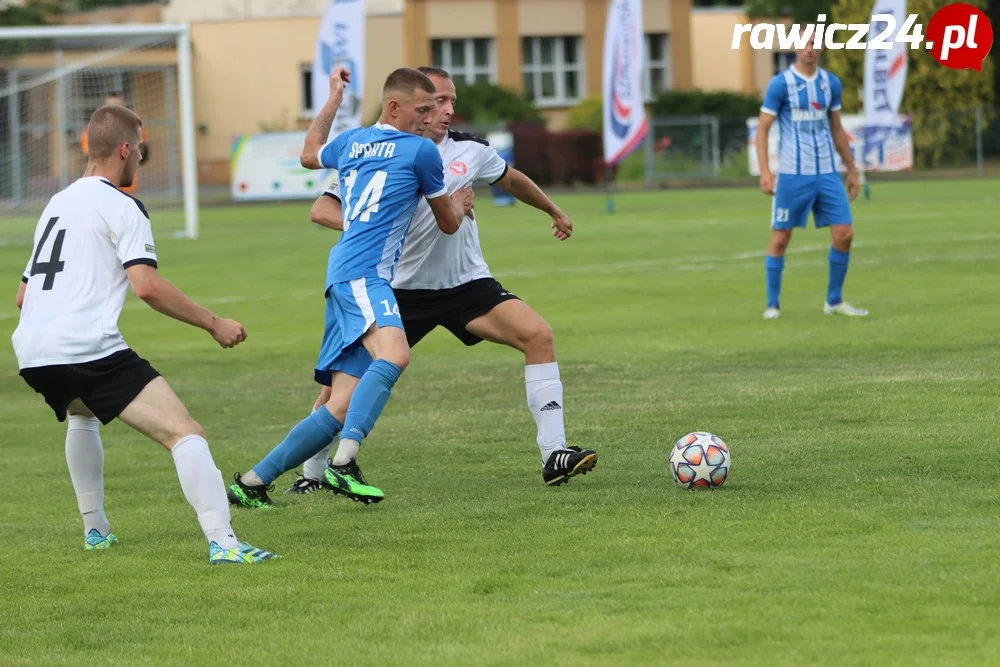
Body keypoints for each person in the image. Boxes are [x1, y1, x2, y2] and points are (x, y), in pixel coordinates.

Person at [286, 65, 596, 494]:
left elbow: (511, 178)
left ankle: (554, 454)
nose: (447, 110)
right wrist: (403, 220)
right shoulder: (380, 150)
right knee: (342, 388)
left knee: (538, 334)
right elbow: (322, 209)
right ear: (417, 106)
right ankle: (312, 476)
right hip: (398, 289)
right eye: (438, 102)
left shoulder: (470, 150)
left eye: (451, 102)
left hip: (466, 286)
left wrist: (553, 210)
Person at [12, 103, 276, 565]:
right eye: (142, 147)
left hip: (33, 349)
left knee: (82, 413)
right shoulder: (122, 205)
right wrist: (215, 323)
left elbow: (22, 295)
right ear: (127, 149)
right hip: (82, 346)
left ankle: (96, 531)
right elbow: (146, 286)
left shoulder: (57, 203)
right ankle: (225, 544)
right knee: (185, 433)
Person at [226, 66, 463, 509]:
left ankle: (252, 483)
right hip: (365, 275)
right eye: (423, 110)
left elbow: (308, 153)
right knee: (395, 354)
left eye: (434, 110)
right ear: (394, 107)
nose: (432, 119)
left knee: (340, 403)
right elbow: (447, 224)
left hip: (341, 274)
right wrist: (458, 201)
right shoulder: (421, 152)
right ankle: (344, 463)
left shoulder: (352, 141)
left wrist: (334, 97)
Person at [756, 43, 867, 320]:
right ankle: (772, 305)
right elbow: (763, 128)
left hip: (827, 173)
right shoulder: (780, 84)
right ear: (795, 47)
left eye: (815, 45)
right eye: (805, 44)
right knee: (781, 238)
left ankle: (834, 301)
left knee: (845, 234)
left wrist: (852, 170)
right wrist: (766, 171)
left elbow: (837, 128)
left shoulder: (831, 83)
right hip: (793, 174)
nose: (810, 50)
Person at [80, 93, 149, 195]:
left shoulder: (136, 128)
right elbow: (88, 157)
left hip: (128, 187)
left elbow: (144, 155)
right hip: (103, 187)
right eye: (111, 106)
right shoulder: (92, 130)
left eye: (119, 106)